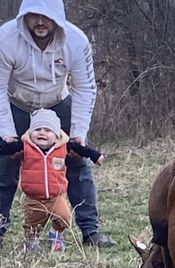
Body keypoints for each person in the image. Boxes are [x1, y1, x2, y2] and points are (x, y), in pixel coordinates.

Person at [0, 1, 113, 247]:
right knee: (4, 165)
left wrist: (79, 133)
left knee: (77, 161)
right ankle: (0, 227)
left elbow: (84, 88)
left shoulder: (77, 41)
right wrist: (7, 133)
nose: (40, 22)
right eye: (34, 16)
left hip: (58, 103)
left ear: (57, 18)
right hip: (16, 102)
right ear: (24, 16)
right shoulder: (5, 39)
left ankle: (91, 231)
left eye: (47, 16)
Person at [0, 107, 104, 252]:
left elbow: (82, 150)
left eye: (48, 130)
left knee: (64, 218)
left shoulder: (64, 147)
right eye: (37, 130)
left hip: (57, 196)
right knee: (33, 223)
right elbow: (5, 149)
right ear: (31, 133)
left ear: (56, 135)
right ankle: (31, 242)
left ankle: (56, 234)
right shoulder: (25, 147)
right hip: (34, 197)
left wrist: (95, 155)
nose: (42, 133)